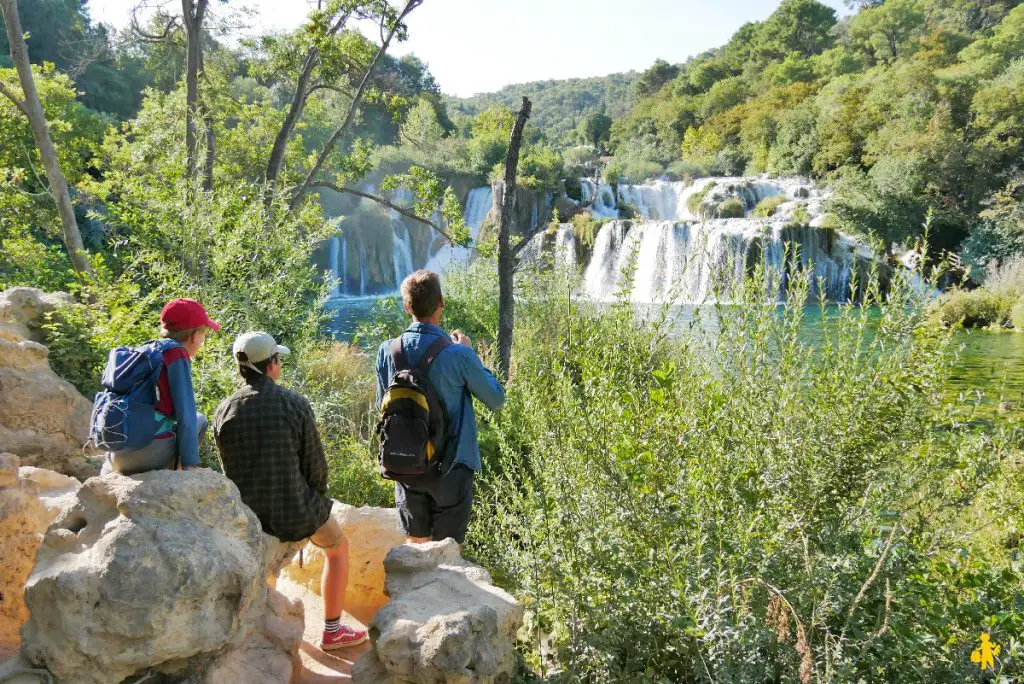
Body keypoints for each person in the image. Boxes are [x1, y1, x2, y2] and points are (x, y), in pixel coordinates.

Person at [213, 332, 367, 651]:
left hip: (250, 520)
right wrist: (316, 503)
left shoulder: (224, 410)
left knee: (265, 569)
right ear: (271, 364)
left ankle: (266, 629)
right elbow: (316, 468)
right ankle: (333, 630)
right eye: (277, 359)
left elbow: (229, 472)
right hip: (296, 510)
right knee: (337, 547)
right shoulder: (293, 403)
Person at [376, 270, 506, 546]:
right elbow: (496, 399)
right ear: (441, 302)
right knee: (448, 555)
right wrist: (472, 354)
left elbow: (382, 405)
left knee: (416, 550)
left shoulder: (387, 351)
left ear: (407, 306)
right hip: (452, 467)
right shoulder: (458, 354)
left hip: (405, 462)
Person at [100, 298, 218, 475]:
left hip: (115, 456)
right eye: (204, 335)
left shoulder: (147, 351)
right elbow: (186, 417)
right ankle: (178, 476)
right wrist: (191, 465)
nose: (203, 341)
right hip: (146, 456)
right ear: (194, 336)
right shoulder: (176, 354)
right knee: (199, 419)